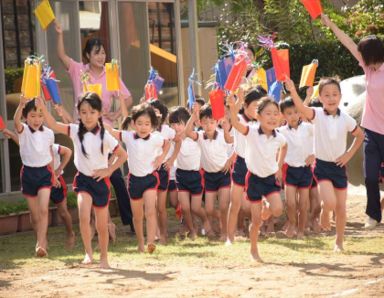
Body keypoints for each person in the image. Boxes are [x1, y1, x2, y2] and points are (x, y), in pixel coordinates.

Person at [55, 21, 134, 232]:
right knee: (91, 173)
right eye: (97, 53)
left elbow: (127, 99)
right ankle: (102, 223)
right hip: (81, 130)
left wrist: (116, 114)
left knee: (114, 175)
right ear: (87, 55)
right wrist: (60, 34)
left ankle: (125, 221)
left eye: (103, 52)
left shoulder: (111, 73)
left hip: (104, 129)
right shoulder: (78, 70)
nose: (101, 56)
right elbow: (62, 57)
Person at [38, 92, 127, 268]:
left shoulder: (105, 135)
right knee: (84, 215)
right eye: (84, 112)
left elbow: (123, 155)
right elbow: (53, 124)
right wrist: (42, 107)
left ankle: (104, 257)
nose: (88, 116)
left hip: (100, 182)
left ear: (100, 113)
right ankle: (88, 253)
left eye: (92, 112)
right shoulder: (74, 129)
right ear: (79, 113)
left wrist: (109, 170)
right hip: (83, 181)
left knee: (102, 226)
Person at [285, 77, 364, 252]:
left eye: (335, 94)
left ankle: (339, 242)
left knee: (342, 207)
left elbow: (360, 135)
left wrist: (348, 155)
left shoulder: (346, 118)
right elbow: (301, 108)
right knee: (329, 202)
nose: (331, 98)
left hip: (339, 167)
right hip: (322, 166)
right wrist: (292, 90)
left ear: (341, 96)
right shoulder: (317, 114)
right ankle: (325, 212)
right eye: (326, 95)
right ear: (320, 98)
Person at [321, 14, 384, 229]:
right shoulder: (368, 69)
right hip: (372, 131)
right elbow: (348, 43)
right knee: (370, 176)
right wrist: (330, 24)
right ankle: (373, 216)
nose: (360, 57)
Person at [228, 92, 287, 262]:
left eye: (276, 113)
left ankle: (266, 208)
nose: (272, 117)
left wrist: (279, 166)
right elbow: (236, 124)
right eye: (268, 113)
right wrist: (233, 108)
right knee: (255, 221)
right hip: (253, 179)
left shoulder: (279, 137)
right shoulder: (252, 131)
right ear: (258, 116)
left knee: (277, 209)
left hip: (270, 180)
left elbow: (284, 147)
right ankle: (254, 249)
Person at [107, 103, 170, 253]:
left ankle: (150, 242)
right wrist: (102, 123)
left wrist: (161, 158)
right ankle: (140, 242)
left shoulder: (156, 138)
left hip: (150, 179)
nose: (143, 127)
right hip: (134, 181)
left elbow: (167, 144)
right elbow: (112, 132)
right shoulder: (128, 136)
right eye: (140, 123)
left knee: (150, 211)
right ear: (133, 124)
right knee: (137, 216)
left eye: (147, 124)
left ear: (152, 125)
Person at [14, 97, 56, 257]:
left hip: (45, 173)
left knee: (44, 210)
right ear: (26, 117)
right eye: (32, 116)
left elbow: (50, 153)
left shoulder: (49, 133)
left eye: (40, 115)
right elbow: (16, 121)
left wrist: (54, 173)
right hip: (28, 174)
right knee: (35, 214)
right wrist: (21, 105)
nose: (37, 119)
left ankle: (41, 243)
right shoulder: (23, 130)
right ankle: (39, 238)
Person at [226, 86, 267, 245]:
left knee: (258, 201)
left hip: (258, 164)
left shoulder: (263, 123)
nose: (258, 109)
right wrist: (238, 100)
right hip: (241, 163)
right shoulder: (240, 119)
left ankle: (257, 231)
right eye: (255, 106)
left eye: (260, 106)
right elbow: (234, 114)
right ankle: (230, 237)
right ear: (246, 105)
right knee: (235, 203)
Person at [185, 104, 232, 241]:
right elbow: (188, 132)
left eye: (211, 122)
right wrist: (193, 116)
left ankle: (225, 232)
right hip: (209, 176)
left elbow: (236, 145)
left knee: (223, 205)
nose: (208, 125)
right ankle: (223, 221)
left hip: (223, 174)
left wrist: (230, 160)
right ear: (200, 123)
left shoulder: (223, 134)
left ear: (217, 122)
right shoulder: (200, 136)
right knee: (210, 209)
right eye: (205, 123)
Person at [168, 106, 212, 239]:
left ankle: (205, 221)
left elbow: (190, 131)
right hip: (181, 175)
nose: (176, 127)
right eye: (173, 124)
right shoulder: (175, 139)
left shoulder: (196, 136)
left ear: (187, 123)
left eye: (179, 123)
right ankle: (192, 230)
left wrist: (194, 116)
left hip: (196, 176)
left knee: (196, 208)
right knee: (185, 208)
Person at [279, 98, 315, 238]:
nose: (293, 116)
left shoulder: (308, 127)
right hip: (290, 170)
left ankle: (301, 230)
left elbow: (321, 138)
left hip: (305, 170)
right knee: (290, 203)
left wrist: (314, 154)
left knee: (303, 203)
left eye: (295, 112)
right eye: (289, 113)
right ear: (283, 115)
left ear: (300, 112)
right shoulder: (281, 131)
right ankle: (292, 224)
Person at [149, 100, 179, 244]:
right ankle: (154, 233)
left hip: (162, 169)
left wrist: (171, 159)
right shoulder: (145, 128)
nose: (153, 114)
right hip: (147, 169)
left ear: (162, 114)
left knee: (160, 206)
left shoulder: (167, 130)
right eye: (150, 111)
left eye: (156, 111)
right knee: (150, 205)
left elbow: (178, 141)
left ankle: (164, 234)